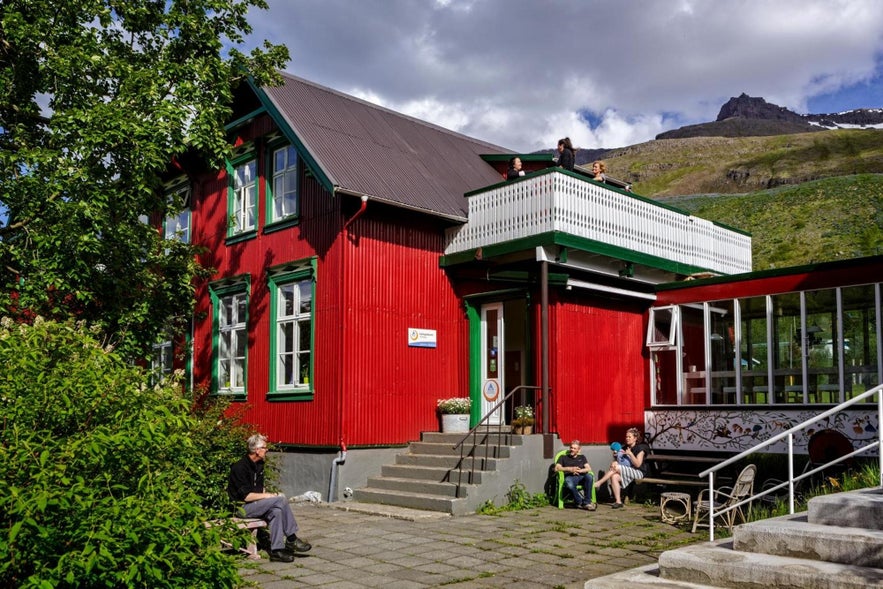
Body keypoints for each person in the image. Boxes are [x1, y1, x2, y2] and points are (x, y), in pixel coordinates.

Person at [228, 434, 312, 562]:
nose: (267, 450)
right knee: (281, 499)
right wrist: (268, 496)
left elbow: (259, 490)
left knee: (276, 511)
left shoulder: (259, 465)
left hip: (255, 505)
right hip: (241, 508)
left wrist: (267, 497)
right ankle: (291, 538)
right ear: (257, 450)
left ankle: (276, 551)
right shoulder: (239, 468)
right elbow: (246, 496)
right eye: (264, 447)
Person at [594, 427, 650, 509]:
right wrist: (615, 460)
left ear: (635, 438)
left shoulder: (640, 448)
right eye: (626, 437)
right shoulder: (624, 448)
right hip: (628, 471)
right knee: (614, 477)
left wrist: (630, 454)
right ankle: (618, 501)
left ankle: (599, 483)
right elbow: (621, 462)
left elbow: (638, 464)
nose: (627, 438)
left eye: (629, 437)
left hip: (638, 472)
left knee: (616, 468)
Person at [555, 439, 596, 510]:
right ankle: (580, 502)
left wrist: (579, 471)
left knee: (589, 476)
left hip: (581, 476)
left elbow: (588, 469)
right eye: (571, 447)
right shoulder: (563, 457)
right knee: (569, 483)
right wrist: (570, 469)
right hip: (570, 477)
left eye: (574, 448)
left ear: (578, 450)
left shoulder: (582, 457)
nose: (572, 449)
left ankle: (586, 502)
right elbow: (557, 468)